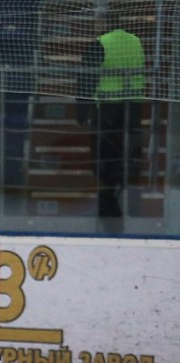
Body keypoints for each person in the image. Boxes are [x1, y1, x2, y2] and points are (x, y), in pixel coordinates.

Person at [79, 11, 146, 232]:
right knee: (128, 158)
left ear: (107, 23)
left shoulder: (100, 44)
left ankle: (108, 208)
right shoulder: (136, 41)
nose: (95, 27)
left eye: (98, 23)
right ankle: (129, 205)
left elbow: (86, 79)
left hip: (107, 108)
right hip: (134, 107)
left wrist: (81, 111)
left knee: (104, 160)